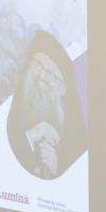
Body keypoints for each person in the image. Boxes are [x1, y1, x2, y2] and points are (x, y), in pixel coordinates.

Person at [5, 30, 85, 180]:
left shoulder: (71, 136)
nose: (41, 77)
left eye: (51, 74)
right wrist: (29, 137)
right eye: (38, 65)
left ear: (62, 89)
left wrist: (53, 170)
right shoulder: (6, 99)